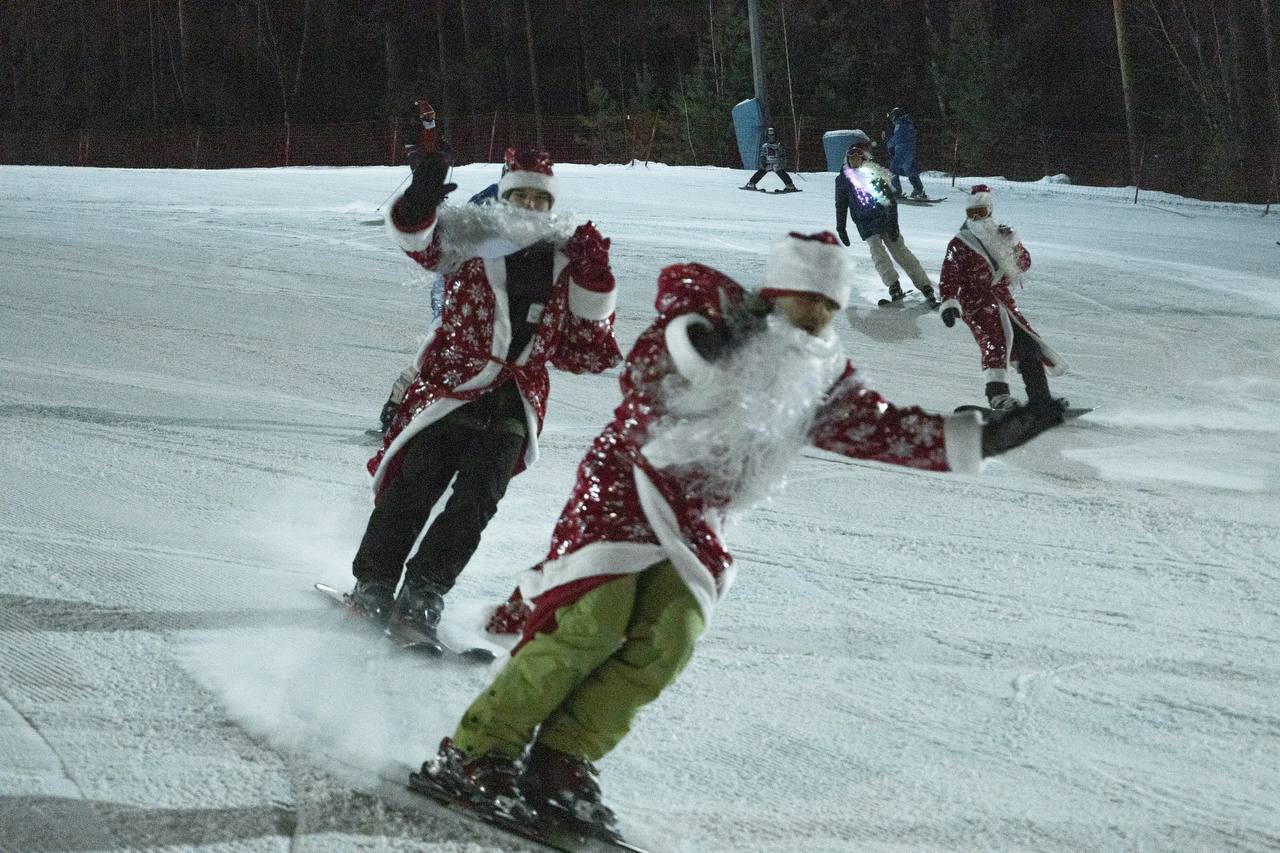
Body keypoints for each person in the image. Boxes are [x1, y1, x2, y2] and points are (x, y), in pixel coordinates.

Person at [415, 231, 1066, 830]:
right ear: (774, 295)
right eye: (801, 305)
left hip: (702, 517)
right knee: (591, 620)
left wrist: (984, 438)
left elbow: (884, 428)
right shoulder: (706, 322)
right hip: (631, 487)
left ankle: (559, 760)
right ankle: (478, 750)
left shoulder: (820, 372)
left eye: (824, 311)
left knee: (669, 637)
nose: (811, 323)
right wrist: (696, 354)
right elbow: (642, 382)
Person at [349, 146, 624, 652]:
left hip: (515, 397)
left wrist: (594, 282)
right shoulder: (469, 235)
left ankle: (424, 592)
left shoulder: (565, 257)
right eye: (516, 193)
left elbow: (582, 354)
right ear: (501, 193)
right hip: (454, 381)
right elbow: (419, 242)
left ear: (550, 204)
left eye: (538, 198)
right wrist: (419, 199)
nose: (526, 206)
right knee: (417, 485)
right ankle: (374, 583)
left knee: (477, 501)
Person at [939, 185, 1068, 411]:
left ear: (989, 211)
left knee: (1028, 345)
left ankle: (1040, 397)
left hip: (1003, 302)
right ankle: (998, 397)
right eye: (971, 214)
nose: (976, 218)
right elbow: (949, 274)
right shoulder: (960, 243)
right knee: (995, 344)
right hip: (976, 305)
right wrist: (949, 301)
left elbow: (1024, 264)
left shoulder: (1001, 236)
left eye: (981, 212)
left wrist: (1014, 244)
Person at [835, 131, 938, 307]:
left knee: (900, 252)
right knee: (878, 254)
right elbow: (841, 204)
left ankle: (925, 285)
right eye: (851, 157)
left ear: (864, 158)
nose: (855, 160)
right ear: (847, 159)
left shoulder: (874, 175)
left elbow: (890, 201)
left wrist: (893, 223)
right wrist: (841, 227)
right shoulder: (843, 180)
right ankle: (893, 285)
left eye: (858, 156)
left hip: (884, 219)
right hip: (865, 224)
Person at [885, 106, 927, 200]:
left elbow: (898, 137)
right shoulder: (908, 124)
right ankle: (918, 189)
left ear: (896, 116)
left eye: (892, 116)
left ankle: (896, 191)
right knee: (909, 170)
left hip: (902, 151)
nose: (892, 119)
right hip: (910, 150)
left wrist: (889, 143)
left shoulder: (901, 124)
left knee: (893, 170)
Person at [743, 127, 799, 192]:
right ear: (767, 137)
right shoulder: (766, 146)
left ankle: (790, 186)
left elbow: (782, 155)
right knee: (761, 172)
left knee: (781, 173)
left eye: (772, 136)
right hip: (768, 163)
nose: (771, 138)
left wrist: (782, 162)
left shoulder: (778, 146)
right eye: (769, 136)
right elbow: (763, 155)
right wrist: (763, 161)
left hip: (776, 163)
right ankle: (751, 184)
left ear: (775, 136)